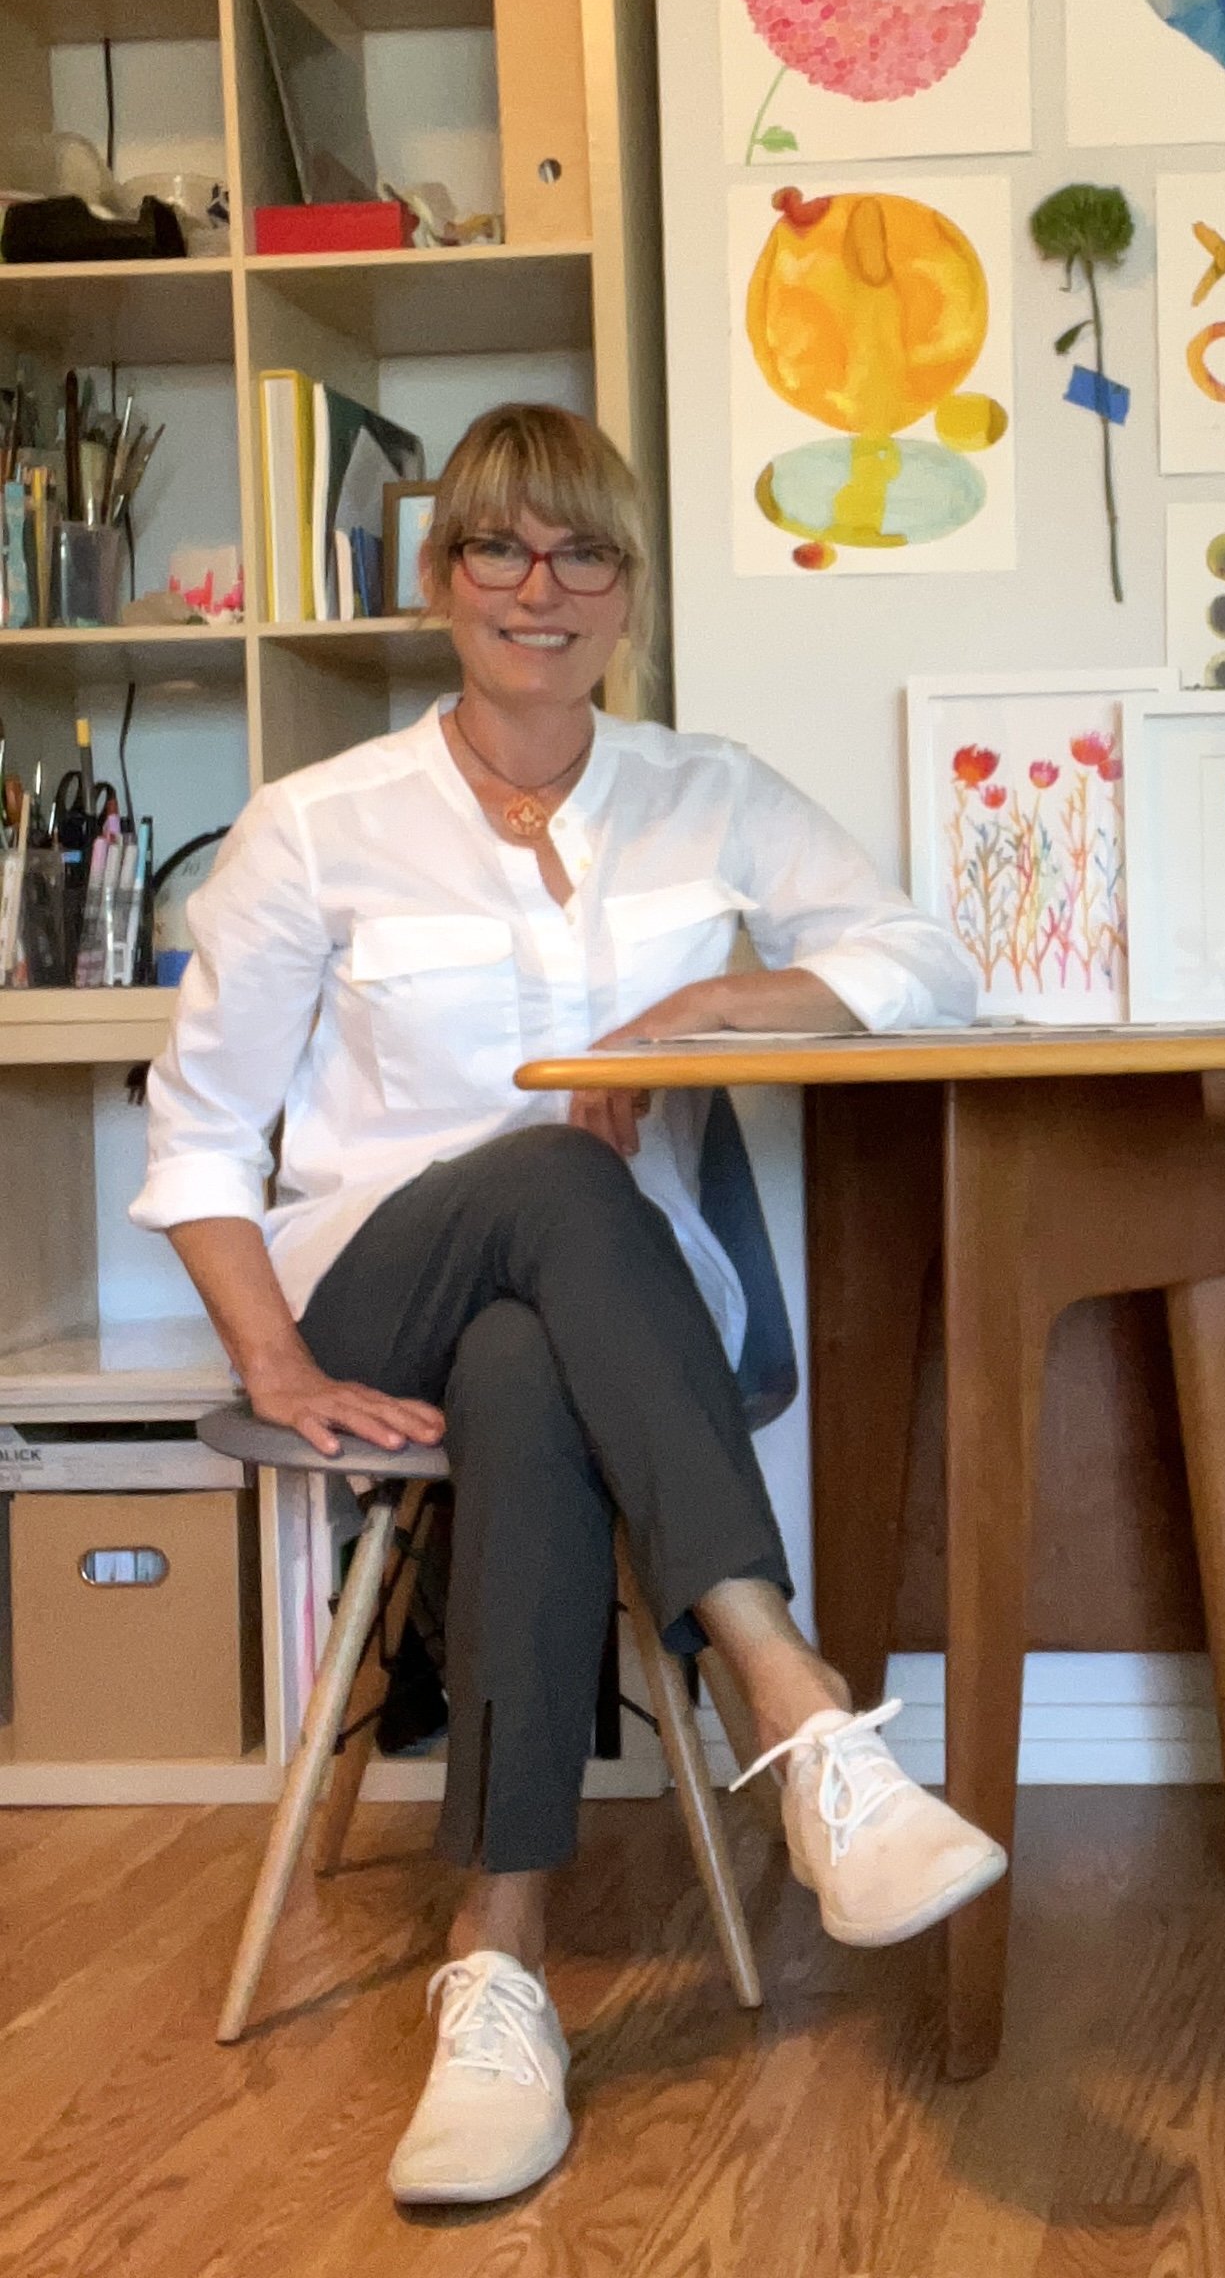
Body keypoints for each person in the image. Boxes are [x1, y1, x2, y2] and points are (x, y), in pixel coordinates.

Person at [132, 404, 999, 2210]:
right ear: (443, 579)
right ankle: (797, 1704)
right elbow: (203, 1134)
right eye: (499, 550)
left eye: (584, 552)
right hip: (376, 1290)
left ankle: (499, 1970)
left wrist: (706, 1014)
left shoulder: (713, 793)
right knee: (549, 1163)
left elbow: (925, 962)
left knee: (534, 1360)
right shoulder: (315, 826)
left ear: (628, 592)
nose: (543, 587)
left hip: (607, 1332)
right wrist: (273, 1362)